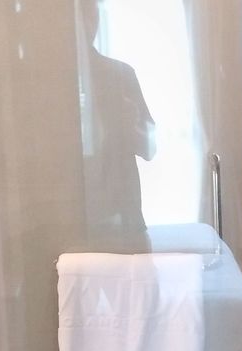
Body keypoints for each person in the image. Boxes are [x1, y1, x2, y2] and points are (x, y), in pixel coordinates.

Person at [79, 0, 156, 251]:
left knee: (138, 277)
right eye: (81, 16)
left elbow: (150, 148)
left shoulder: (120, 75)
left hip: (124, 216)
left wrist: (130, 124)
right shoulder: (45, 80)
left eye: (92, 15)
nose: (88, 24)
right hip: (72, 220)